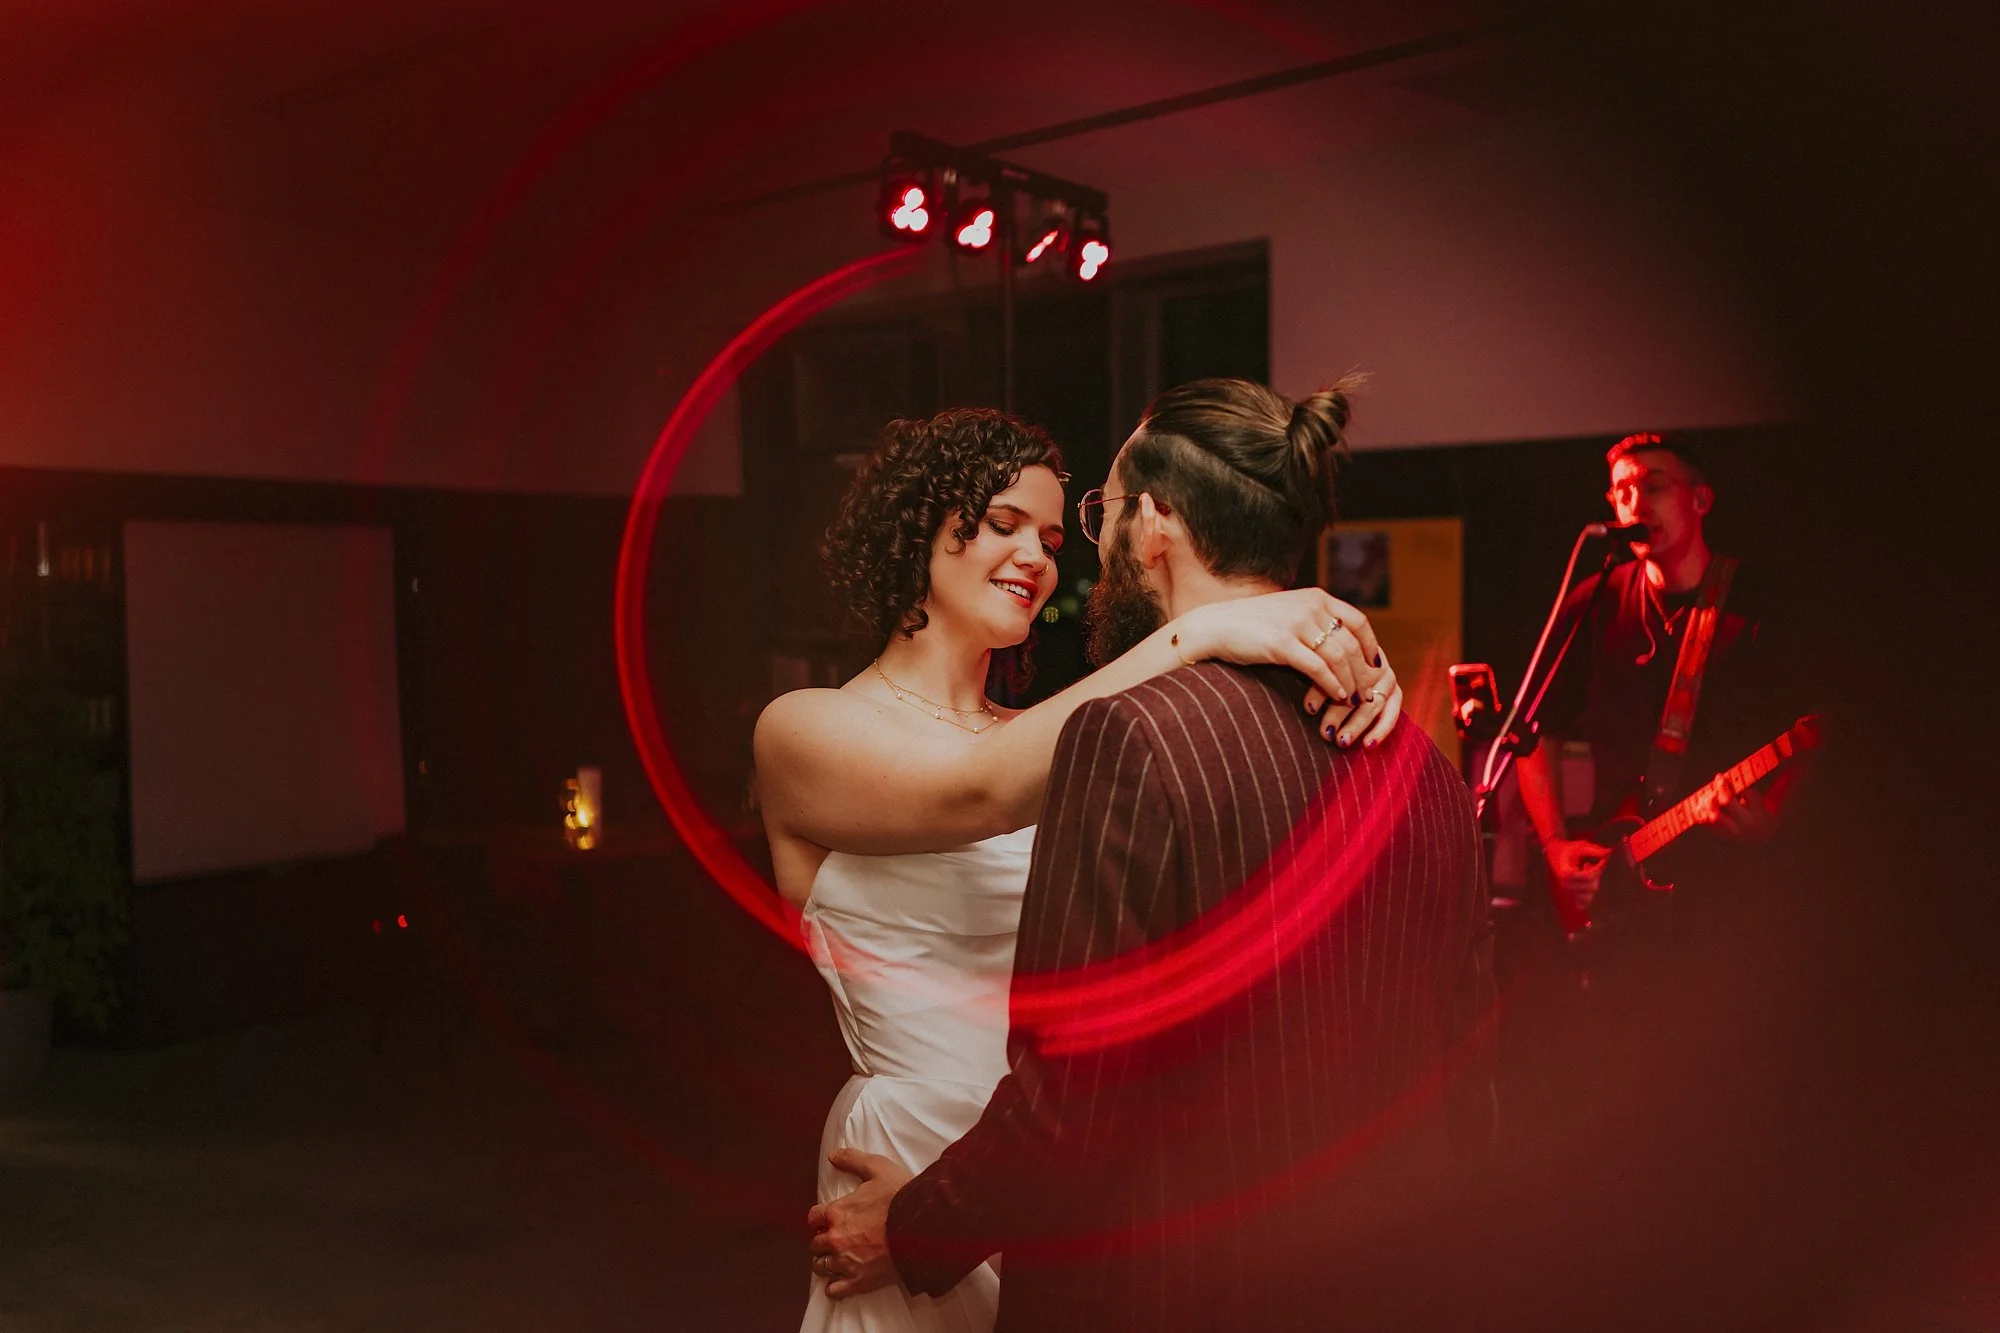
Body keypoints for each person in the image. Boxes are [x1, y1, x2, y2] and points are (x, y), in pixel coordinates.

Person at [805, 380, 1493, 1332]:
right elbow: (1467, 1084)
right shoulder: (1425, 766)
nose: (1074, 551)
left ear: (1156, 521)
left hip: (1167, 1287)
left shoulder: (1128, 736)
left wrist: (914, 1229)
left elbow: (1070, 1113)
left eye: (1093, 517)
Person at [1516, 432, 1803, 941]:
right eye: (1622, 491)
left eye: (1655, 486)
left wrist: (1776, 814)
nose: (1636, 503)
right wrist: (1557, 845)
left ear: (1700, 498)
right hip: (1620, 887)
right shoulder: (1596, 600)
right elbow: (1532, 734)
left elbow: (1819, 726)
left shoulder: (1759, 602)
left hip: (1730, 897)